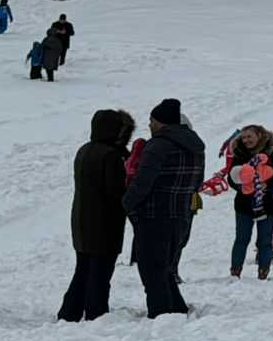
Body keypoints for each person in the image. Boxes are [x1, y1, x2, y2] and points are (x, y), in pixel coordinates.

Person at [123, 99, 203, 317]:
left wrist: (127, 205)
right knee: (165, 265)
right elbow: (198, 183)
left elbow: (142, 183)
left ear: (161, 122)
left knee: (151, 269)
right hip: (181, 214)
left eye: (152, 120)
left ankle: (161, 313)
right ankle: (177, 307)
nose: (149, 125)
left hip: (153, 215)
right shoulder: (196, 147)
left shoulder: (157, 146)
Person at [59, 110, 132, 322]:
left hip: (82, 219)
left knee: (83, 269)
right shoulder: (110, 156)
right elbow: (116, 191)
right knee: (100, 273)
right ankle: (97, 314)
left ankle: (69, 312)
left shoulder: (85, 150)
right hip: (105, 222)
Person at [225, 125, 273, 279]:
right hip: (244, 204)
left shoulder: (271, 150)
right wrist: (243, 187)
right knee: (242, 239)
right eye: (244, 137)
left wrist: (268, 183)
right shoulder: (240, 152)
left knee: (265, 240)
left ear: (259, 135)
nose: (246, 140)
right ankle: (235, 271)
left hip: (266, 203)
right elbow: (231, 177)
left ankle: (263, 271)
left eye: (249, 136)